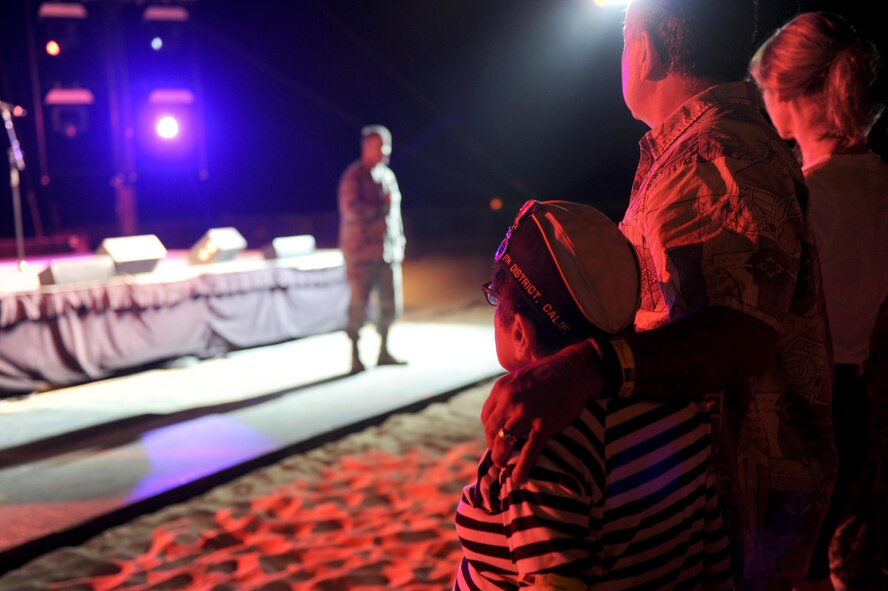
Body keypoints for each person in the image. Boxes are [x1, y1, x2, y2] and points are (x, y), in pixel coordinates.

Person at [479, 1, 837, 589]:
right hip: (706, 507)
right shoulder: (708, 147)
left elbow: (743, 335)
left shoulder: (716, 154)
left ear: (645, 51)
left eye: (625, 37)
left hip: (726, 512)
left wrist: (589, 367)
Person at [453, 200, 733, 590]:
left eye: (496, 300)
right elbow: (712, 552)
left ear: (520, 332)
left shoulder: (541, 439)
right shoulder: (680, 401)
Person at [749, 12, 888, 589]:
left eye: (763, 91)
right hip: (864, 400)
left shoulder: (808, 196)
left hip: (809, 407)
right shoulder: (878, 177)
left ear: (787, 92)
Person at [337, 124, 407, 373]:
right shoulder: (354, 177)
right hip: (361, 255)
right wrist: (379, 204)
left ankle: (383, 351)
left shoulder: (388, 176)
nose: (385, 151)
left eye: (387, 145)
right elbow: (351, 211)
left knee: (390, 304)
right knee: (358, 306)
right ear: (367, 147)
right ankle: (355, 355)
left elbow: (395, 216)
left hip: (387, 252)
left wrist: (399, 243)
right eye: (380, 146)